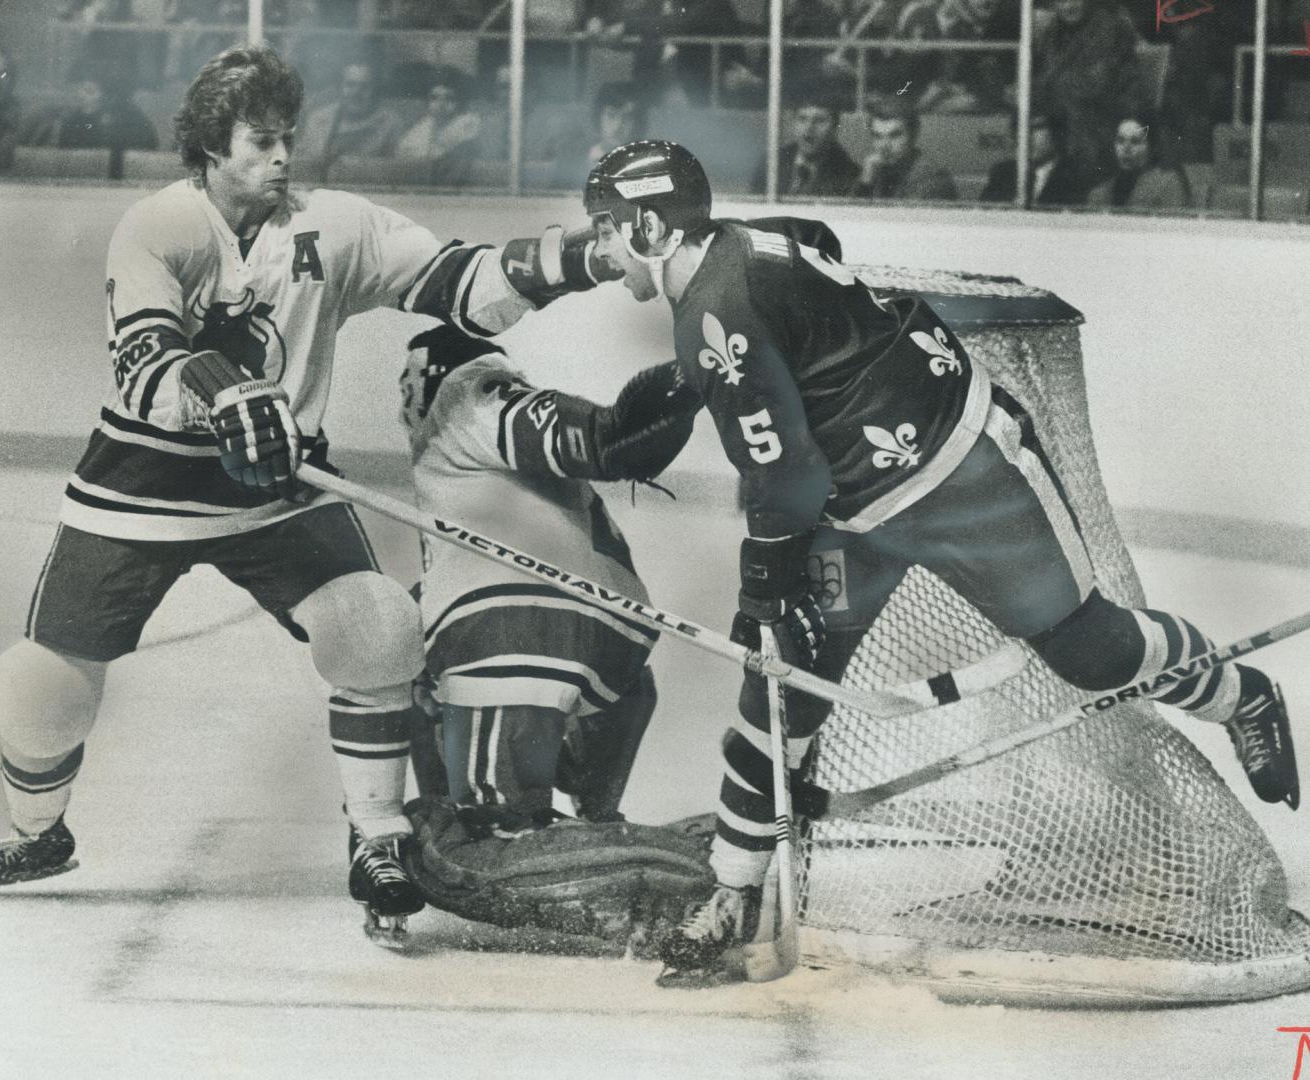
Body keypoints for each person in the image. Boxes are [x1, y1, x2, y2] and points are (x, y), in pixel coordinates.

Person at [580, 139, 1300, 980]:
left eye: (604, 228)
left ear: (649, 226)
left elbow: (785, 471)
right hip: (853, 507)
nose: (598, 249)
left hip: (967, 477)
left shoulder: (713, 307)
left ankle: (1240, 694)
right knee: (779, 686)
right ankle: (735, 894)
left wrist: (766, 582)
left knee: (1090, 652)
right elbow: (814, 240)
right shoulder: (740, 245)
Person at [0, 45, 618, 942]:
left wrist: (583, 257)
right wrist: (219, 390)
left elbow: (461, 286)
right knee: (40, 691)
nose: (281, 157)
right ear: (209, 145)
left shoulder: (335, 223)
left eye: (287, 138)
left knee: (378, 630)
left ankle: (378, 837)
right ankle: (38, 838)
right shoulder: (157, 226)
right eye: (259, 141)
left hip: (281, 482)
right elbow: (146, 351)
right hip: (143, 483)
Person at [392, 322, 713, 941]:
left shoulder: (468, 396)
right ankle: (598, 827)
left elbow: (575, 428)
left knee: (462, 852)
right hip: (614, 662)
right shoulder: (476, 466)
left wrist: (634, 414)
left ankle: (645, 874)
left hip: (517, 638)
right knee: (410, 653)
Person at [1032, 0, 1143, 183]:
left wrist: (1041, 87)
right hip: (1067, 110)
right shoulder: (1053, 31)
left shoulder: (1107, 28)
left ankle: (1076, 183)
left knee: (1074, 112)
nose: (1068, 6)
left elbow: (1094, 84)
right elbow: (1042, 72)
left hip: (1110, 113)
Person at [296, 60, 404, 167]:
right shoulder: (318, 119)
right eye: (350, 85)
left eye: (365, 86)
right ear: (340, 88)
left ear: (375, 90)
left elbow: (395, 169)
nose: (356, 93)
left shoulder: (390, 123)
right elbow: (303, 162)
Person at [20, 73, 157, 153]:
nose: (80, 95)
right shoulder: (62, 118)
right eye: (79, 89)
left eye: (89, 91)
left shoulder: (124, 120)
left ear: (105, 98)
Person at [754, 94, 860, 198]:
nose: (809, 127)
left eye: (819, 120)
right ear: (793, 124)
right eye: (802, 119)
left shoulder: (848, 174)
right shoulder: (772, 162)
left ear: (834, 128)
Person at [852, 99, 957, 201]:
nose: (884, 145)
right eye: (878, 136)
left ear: (913, 136)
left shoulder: (932, 178)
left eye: (894, 136)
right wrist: (865, 181)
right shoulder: (876, 170)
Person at [394, 68, 483, 187]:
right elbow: (403, 153)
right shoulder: (424, 125)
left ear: (461, 102)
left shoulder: (469, 123)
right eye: (434, 98)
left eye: (449, 98)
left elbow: (442, 152)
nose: (441, 104)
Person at [1086, 114, 1193, 211]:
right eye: (1120, 140)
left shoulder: (1167, 186)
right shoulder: (1099, 195)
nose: (1126, 148)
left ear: (1151, 147)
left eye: (1135, 141)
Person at [980, 110, 1088, 206]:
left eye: (1037, 128)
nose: (1027, 136)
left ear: (1057, 133)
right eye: (1021, 129)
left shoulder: (1076, 175)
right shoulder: (1003, 173)